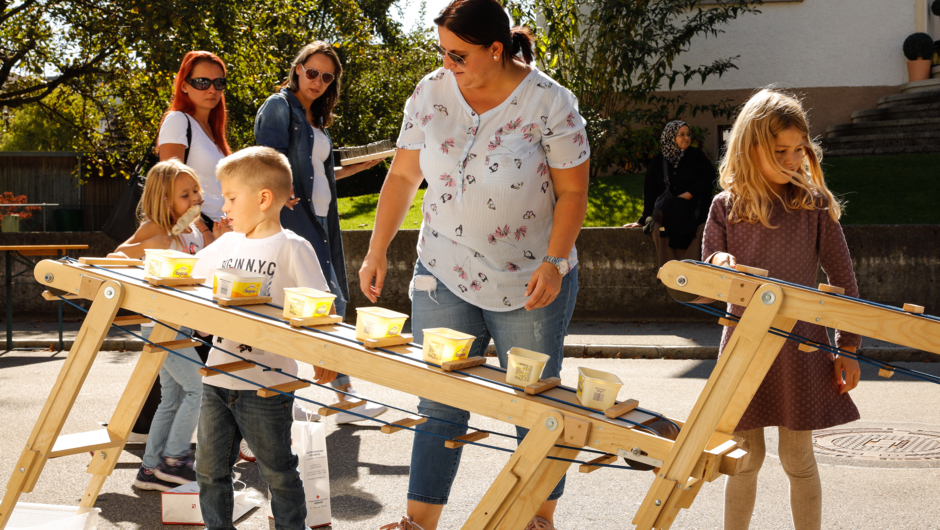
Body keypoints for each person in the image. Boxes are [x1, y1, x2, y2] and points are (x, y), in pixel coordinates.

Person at [360, 1, 589, 528]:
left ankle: (538, 518)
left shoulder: (549, 102)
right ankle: (419, 522)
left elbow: (574, 190)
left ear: (496, 49)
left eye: (458, 53)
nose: (447, 62)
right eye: (441, 51)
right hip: (443, 269)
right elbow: (401, 179)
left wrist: (555, 261)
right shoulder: (430, 91)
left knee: (535, 408)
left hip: (530, 279)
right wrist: (377, 250)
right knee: (439, 401)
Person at [701, 88, 861, 530]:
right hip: (743, 350)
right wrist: (719, 264)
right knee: (744, 461)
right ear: (751, 149)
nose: (793, 160)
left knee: (798, 461)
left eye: (799, 150)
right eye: (780, 152)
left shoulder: (813, 205)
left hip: (803, 351)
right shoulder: (725, 207)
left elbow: (844, 281)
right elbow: (708, 270)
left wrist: (848, 347)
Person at [190, 146, 337, 529]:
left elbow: (322, 308)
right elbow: (187, 284)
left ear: (264, 198)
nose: (224, 206)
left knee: (278, 473)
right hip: (217, 376)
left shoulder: (292, 247)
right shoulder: (226, 243)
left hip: (268, 384)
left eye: (231, 197)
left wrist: (326, 356)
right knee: (208, 469)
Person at [255, 41, 386, 424]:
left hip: (323, 222)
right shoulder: (279, 107)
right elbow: (267, 158)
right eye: (312, 72)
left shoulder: (315, 119)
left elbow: (321, 173)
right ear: (297, 69)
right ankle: (325, 396)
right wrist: (282, 189)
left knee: (331, 303)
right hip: (295, 219)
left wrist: (359, 168)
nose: (318, 81)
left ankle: (340, 396)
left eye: (327, 77)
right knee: (314, 304)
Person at [115, 160, 220, 491]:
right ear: (164, 201)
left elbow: (207, 264)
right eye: (185, 195)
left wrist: (212, 232)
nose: (195, 199)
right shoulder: (154, 229)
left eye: (195, 191)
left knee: (172, 398)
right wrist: (151, 246)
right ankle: (174, 462)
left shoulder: (191, 231)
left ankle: (149, 470)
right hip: (161, 325)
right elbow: (118, 255)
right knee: (199, 390)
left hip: (185, 326)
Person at [624, 120, 716, 268]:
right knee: (657, 229)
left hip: (695, 212)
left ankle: (691, 270)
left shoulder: (696, 156)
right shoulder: (658, 160)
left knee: (701, 231)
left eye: (688, 134)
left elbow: (709, 178)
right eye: (681, 135)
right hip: (667, 214)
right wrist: (641, 220)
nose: (686, 138)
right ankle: (669, 270)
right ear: (671, 137)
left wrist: (689, 194)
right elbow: (650, 192)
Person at [158, 50, 232, 230]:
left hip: (221, 231)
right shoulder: (178, 121)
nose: (212, 89)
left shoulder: (213, 133)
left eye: (219, 82)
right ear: (184, 86)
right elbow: (169, 186)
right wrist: (204, 232)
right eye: (202, 82)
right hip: (197, 232)